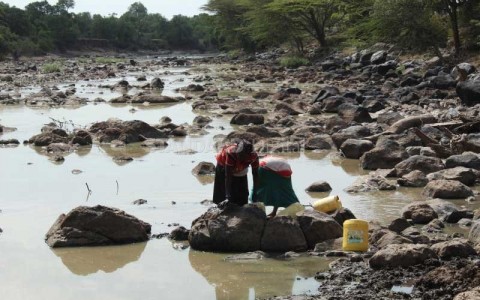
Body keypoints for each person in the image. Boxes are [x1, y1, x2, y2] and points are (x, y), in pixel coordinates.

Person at [213, 140, 259, 206]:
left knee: (242, 194)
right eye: (238, 154)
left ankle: (241, 206)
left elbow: (255, 174)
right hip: (223, 165)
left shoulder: (253, 157)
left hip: (241, 168)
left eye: (242, 155)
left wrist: (255, 191)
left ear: (248, 155)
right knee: (225, 194)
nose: (239, 157)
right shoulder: (231, 154)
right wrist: (227, 195)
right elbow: (228, 176)